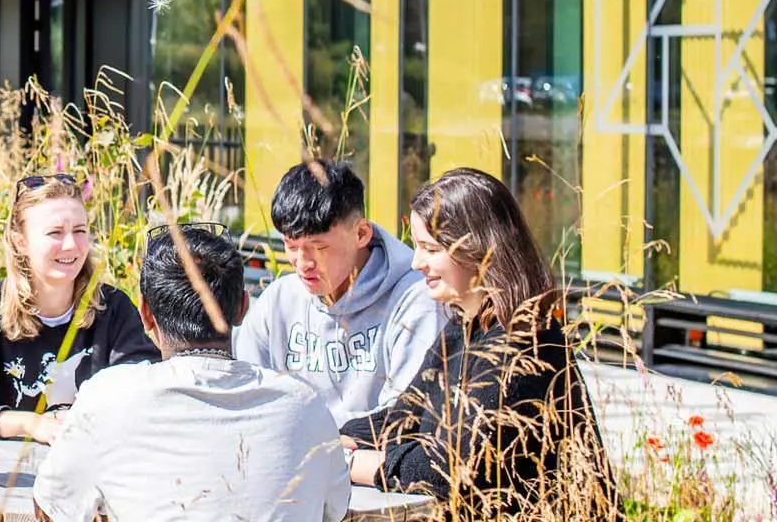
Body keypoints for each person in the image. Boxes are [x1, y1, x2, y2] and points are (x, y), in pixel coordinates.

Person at [341, 168, 619, 520]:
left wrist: (353, 464)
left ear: (478, 249)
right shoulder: (464, 326)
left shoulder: (527, 344)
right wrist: (336, 440)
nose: (416, 263)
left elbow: (447, 469)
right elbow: (405, 415)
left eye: (430, 248)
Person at [34, 224, 351, 521]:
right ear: (243, 307)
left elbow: (51, 506)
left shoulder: (107, 398)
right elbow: (334, 509)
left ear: (145, 313)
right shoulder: (305, 405)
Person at [0, 174, 161, 443]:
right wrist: (30, 424)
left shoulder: (114, 310)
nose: (71, 245)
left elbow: (147, 394)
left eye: (80, 231)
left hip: (93, 468)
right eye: (55, 233)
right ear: (20, 240)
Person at [232, 160, 445, 424]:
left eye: (319, 247)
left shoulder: (417, 299)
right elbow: (244, 396)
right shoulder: (278, 300)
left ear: (361, 233)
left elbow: (406, 416)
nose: (302, 262)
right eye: (291, 245)